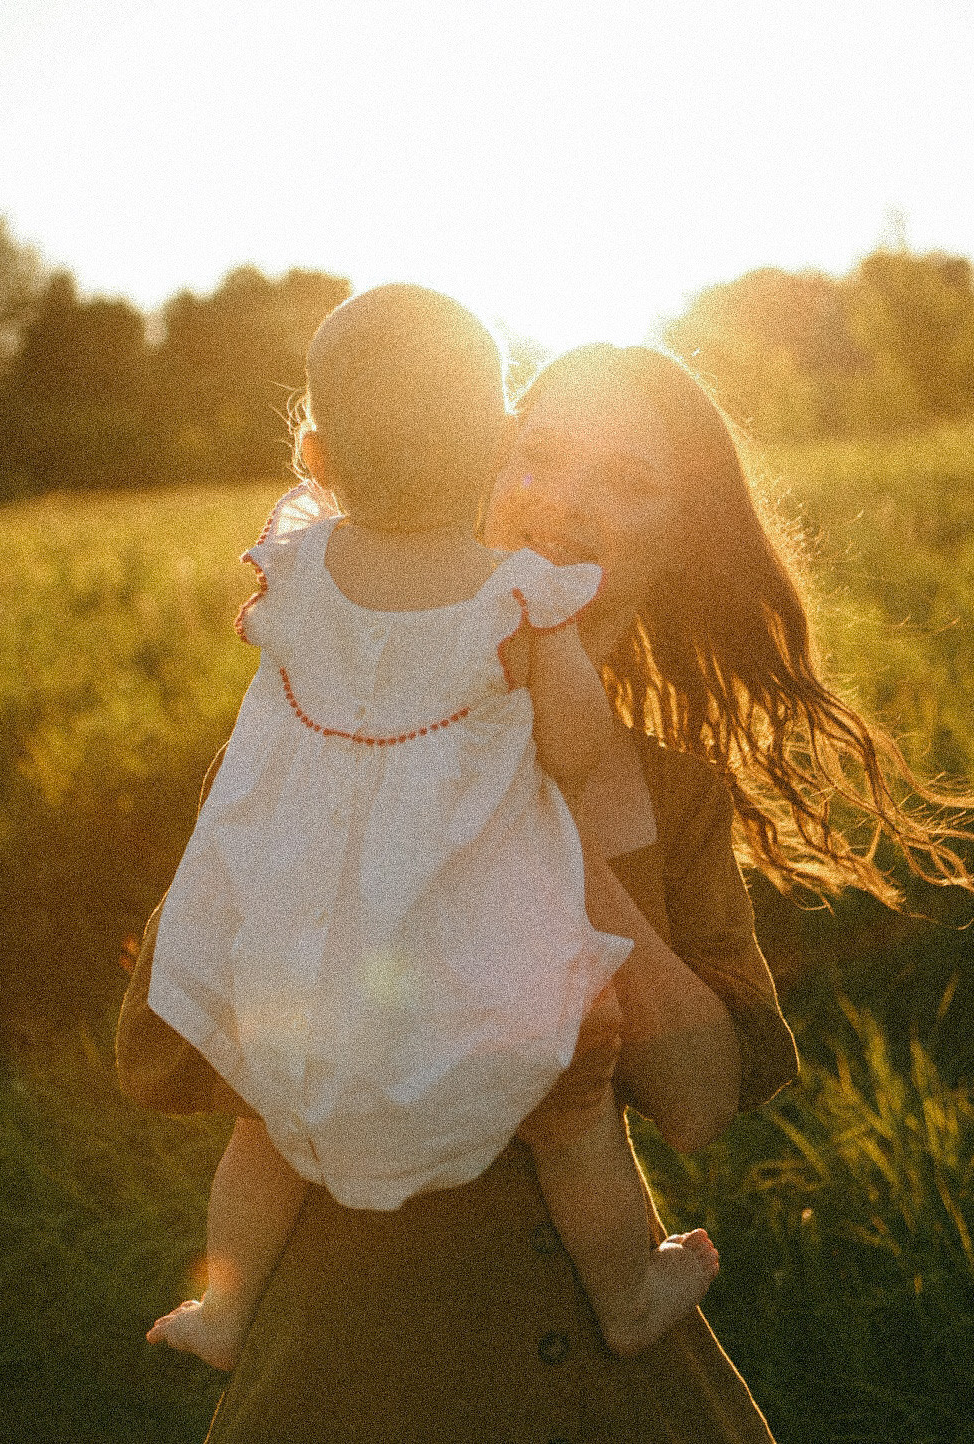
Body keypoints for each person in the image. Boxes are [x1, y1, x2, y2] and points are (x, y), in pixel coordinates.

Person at [117, 339, 967, 1442]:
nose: (564, 500)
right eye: (540, 452)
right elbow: (164, 1047)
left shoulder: (680, 793)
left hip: (609, 1399)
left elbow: (703, 1101)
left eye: (630, 481)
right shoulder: (322, 747)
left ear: (681, 539)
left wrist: (542, 821)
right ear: (478, 461)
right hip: (344, 1382)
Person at [142, 287, 719, 1377]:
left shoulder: (298, 563)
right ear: (500, 444)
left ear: (314, 455)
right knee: (571, 1114)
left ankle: (220, 1311)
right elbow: (577, 748)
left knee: (264, 1124)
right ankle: (632, 1290)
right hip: (458, 975)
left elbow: (265, 638)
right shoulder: (517, 598)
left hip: (305, 955)